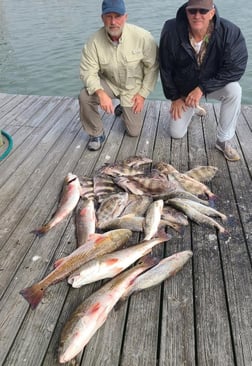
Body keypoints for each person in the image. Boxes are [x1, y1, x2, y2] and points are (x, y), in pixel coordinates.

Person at [159, 0, 248, 161]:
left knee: (234, 90)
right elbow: (165, 67)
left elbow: (236, 68)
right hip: (185, 89)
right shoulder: (171, 29)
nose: (197, 15)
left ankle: (223, 140)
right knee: (176, 134)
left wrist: (201, 88)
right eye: (192, 11)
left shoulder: (230, 32)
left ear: (212, 12)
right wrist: (175, 97)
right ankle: (192, 106)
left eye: (203, 11)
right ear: (186, 12)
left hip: (211, 85)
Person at [79, 0, 159, 151]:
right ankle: (96, 133)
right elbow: (87, 71)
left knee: (133, 132)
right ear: (102, 18)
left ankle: (123, 106)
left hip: (132, 87)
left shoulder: (143, 37)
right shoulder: (93, 41)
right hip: (108, 83)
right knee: (85, 96)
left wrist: (142, 95)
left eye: (118, 16)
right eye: (108, 16)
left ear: (126, 17)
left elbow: (153, 67)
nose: (113, 21)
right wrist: (100, 93)